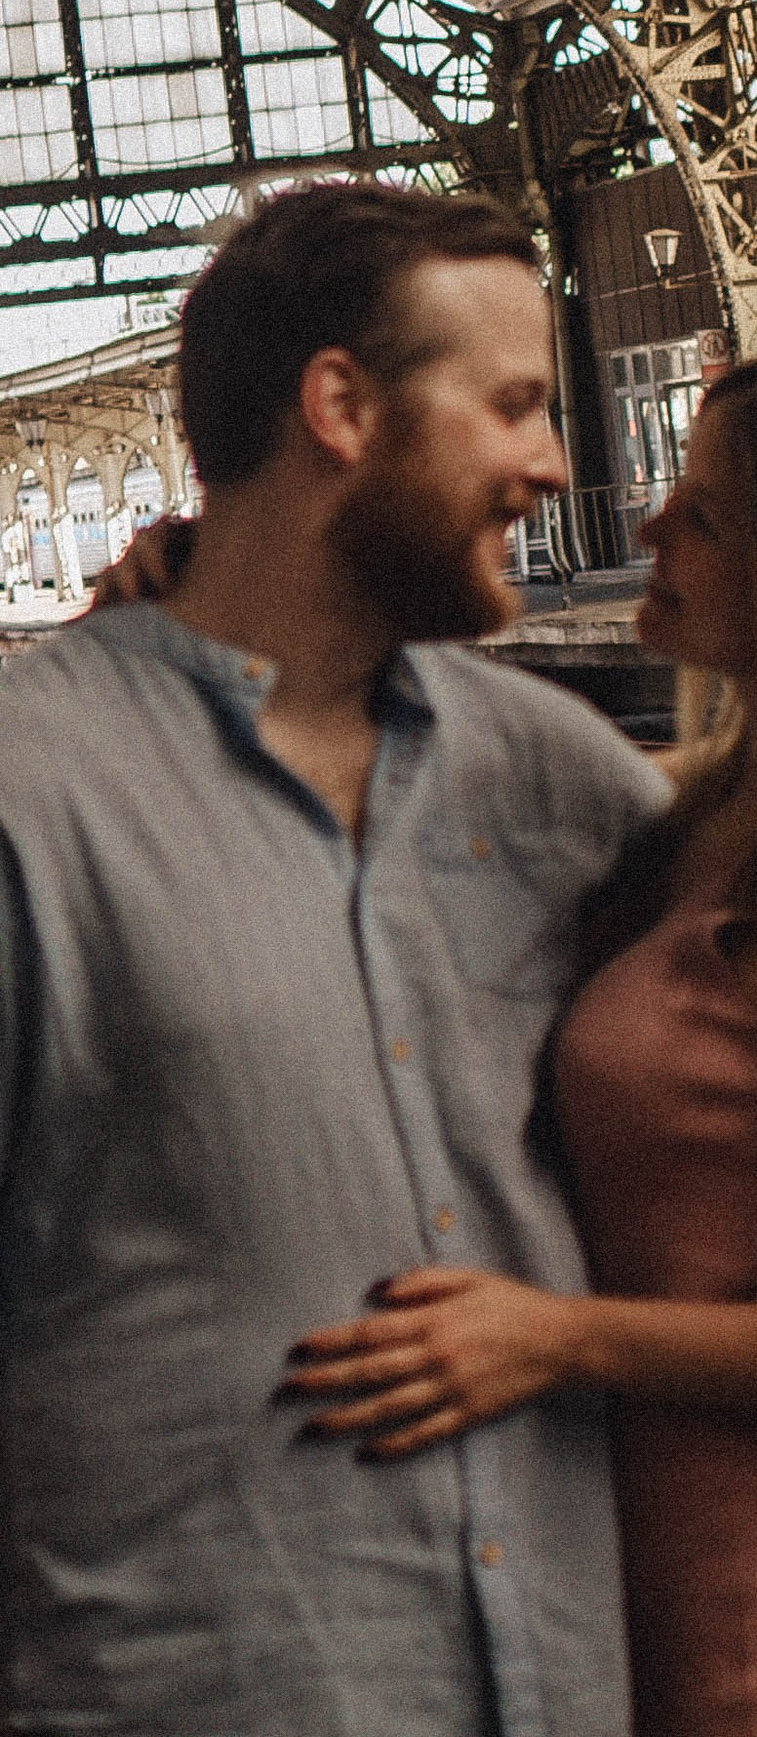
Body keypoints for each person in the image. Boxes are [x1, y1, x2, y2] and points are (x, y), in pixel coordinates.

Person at [283, 347, 757, 1737]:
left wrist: (561, 1340)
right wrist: (208, 636)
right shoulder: (721, 822)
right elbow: (408, 794)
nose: (646, 526)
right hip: (644, 1635)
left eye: (701, 513)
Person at [0, 181, 665, 1735]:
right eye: (510, 405)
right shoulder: (34, 804)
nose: (553, 464)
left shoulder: (566, 789)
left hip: (559, 1686)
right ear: (342, 406)